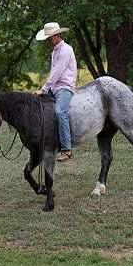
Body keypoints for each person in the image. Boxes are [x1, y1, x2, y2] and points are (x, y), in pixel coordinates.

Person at [34, 22, 77, 162]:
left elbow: (56, 74)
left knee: (60, 112)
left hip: (64, 87)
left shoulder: (65, 50)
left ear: (58, 35)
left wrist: (43, 89)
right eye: (47, 37)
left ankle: (66, 149)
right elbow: (54, 74)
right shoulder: (55, 51)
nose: (48, 40)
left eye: (50, 37)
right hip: (55, 87)